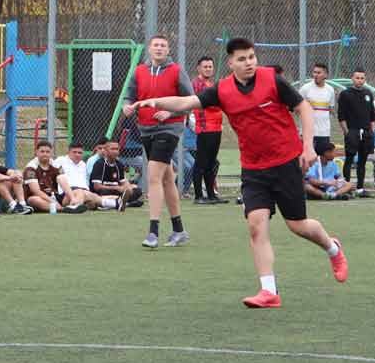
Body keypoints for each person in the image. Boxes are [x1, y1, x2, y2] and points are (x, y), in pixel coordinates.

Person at [138, 37, 347, 307]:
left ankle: (332, 248)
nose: (249, 63)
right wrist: (155, 101)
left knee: (298, 225)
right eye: (242, 59)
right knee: (256, 226)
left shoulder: (272, 80)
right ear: (230, 63)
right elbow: (186, 102)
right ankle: (269, 291)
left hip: (285, 163)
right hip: (253, 168)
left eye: (251, 57)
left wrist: (307, 146)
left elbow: (303, 108)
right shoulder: (222, 90)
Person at [120, 34, 193, 248]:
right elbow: (129, 95)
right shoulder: (139, 71)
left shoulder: (177, 71)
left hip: (169, 129)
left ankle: (153, 232)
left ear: (168, 50)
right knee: (167, 179)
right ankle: (179, 230)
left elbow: (190, 101)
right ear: (150, 49)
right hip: (146, 129)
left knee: (153, 176)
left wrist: (170, 113)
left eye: (163, 45)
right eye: (156, 45)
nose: (159, 48)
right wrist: (127, 106)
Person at [189, 56, 226, 204]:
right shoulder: (197, 84)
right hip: (205, 128)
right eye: (205, 67)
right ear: (199, 68)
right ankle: (198, 196)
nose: (208, 69)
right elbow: (207, 103)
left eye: (210, 66)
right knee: (201, 162)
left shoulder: (211, 84)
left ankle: (211, 195)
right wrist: (220, 101)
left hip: (216, 127)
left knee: (211, 163)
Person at [336, 69, 375, 190]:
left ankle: (360, 188)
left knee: (362, 161)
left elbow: (372, 115)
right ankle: (347, 187)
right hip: (352, 131)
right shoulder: (345, 94)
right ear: (352, 79)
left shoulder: (368, 93)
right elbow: (341, 116)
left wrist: (372, 131)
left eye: (362, 78)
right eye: (357, 78)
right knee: (349, 159)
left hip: (366, 132)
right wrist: (347, 132)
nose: (360, 80)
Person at [23, 140, 80, 212]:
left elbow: (63, 180)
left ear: (51, 153)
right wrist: (52, 202)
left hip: (54, 196)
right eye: (42, 151)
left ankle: (74, 203)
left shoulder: (56, 164)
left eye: (47, 152)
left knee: (78, 191)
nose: (45, 154)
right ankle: (64, 209)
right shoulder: (31, 167)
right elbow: (36, 191)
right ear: (36, 152)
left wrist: (71, 197)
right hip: (40, 198)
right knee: (33, 199)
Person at [299, 61, 339, 153]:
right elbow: (298, 109)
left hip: (324, 132)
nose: (316, 75)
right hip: (308, 133)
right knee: (308, 159)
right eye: (314, 72)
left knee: (323, 158)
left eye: (319, 73)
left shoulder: (330, 90)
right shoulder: (305, 89)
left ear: (325, 75)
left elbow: (331, 109)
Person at [88, 138, 138, 210]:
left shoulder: (119, 164)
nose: (115, 151)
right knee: (104, 192)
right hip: (104, 190)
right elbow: (97, 187)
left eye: (117, 149)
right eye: (112, 149)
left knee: (137, 190)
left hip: (116, 191)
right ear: (106, 151)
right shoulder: (99, 163)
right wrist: (117, 188)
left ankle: (117, 201)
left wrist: (128, 188)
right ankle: (125, 202)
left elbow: (123, 182)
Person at [53, 143, 105, 211]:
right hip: (67, 193)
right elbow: (56, 176)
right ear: (68, 152)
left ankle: (115, 203)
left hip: (85, 192)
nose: (77, 155)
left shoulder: (83, 164)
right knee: (81, 192)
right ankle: (75, 206)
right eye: (74, 152)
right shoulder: (61, 160)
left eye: (80, 153)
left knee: (96, 198)